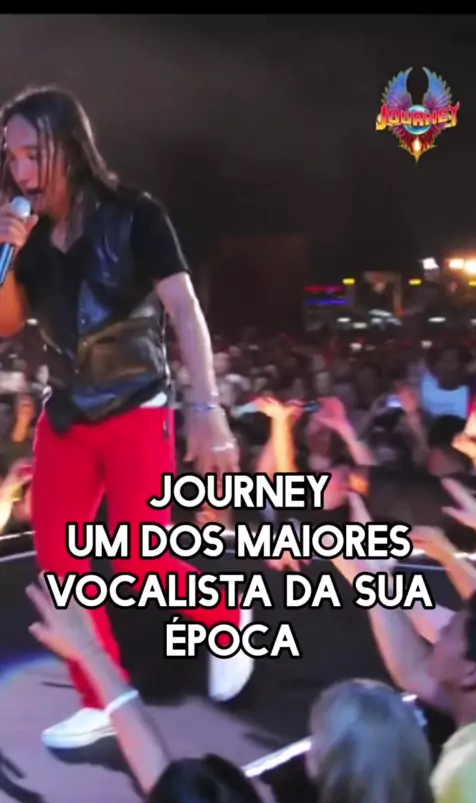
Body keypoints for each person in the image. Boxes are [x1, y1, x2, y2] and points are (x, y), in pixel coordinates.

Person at [0, 84, 252, 749]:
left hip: (136, 404)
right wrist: (6, 258)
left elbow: (185, 311)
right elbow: (6, 323)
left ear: (68, 146)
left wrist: (206, 406)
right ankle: (101, 696)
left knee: (142, 556)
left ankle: (227, 623)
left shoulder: (135, 214)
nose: (19, 170)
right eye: (11, 156)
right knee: (60, 566)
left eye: (31, 153)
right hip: (66, 413)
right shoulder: (27, 236)